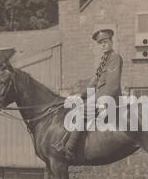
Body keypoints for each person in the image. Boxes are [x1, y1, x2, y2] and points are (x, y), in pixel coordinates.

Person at [53, 29, 123, 159]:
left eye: (105, 42)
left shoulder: (114, 58)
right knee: (76, 107)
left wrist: (94, 100)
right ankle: (64, 141)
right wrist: (82, 96)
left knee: (82, 111)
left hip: (110, 98)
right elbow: (94, 81)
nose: (103, 45)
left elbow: (112, 86)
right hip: (102, 97)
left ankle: (70, 148)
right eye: (100, 43)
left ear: (111, 42)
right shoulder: (104, 60)